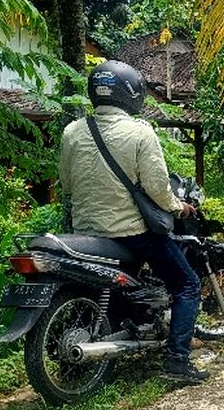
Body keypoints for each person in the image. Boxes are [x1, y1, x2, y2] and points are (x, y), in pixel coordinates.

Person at [58, 60, 207, 385]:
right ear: (132, 93)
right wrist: (178, 207)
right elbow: (157, 188)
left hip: (85, 235)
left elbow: (67, 186)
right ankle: (178, 360)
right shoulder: (140, 132)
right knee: (187, 285)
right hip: (131, 234)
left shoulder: (72, 131)